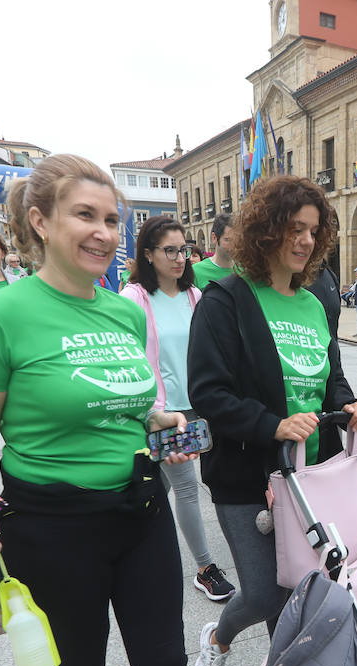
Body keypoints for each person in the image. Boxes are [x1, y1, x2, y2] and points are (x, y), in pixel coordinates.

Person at [0, 153, 261, 666]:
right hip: (52, 523)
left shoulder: (123, 312)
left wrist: (158, 421)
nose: (104, 232)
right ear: (40, 221)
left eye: (113, 219)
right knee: (79, 662)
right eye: (85, 215)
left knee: (164, 663)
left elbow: (125, 402)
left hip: (139, 508)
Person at [187, 174, 357, 666]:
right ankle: (218, 639)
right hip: (248, 476)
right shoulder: (227, 300)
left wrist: (350, 403)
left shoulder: (314, 303)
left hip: (311, 474)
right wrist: (271, 424)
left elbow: (329, 377)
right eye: (294, 228)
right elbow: (208, 391)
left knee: (302, 586)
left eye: (314, 231)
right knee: (267, 591)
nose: (305, 241)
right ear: (265, 230)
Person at [119, 215, 237, 603]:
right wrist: (151, 412)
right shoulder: (134, 297)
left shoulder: (195, 297)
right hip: (164, 412)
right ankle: (205, 569)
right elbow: (131, 358)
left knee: (158, 486)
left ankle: (129, 546)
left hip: (201, 406)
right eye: (169, 250)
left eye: (183, 250)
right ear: (148, 254)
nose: (179, 258)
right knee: (186, 487)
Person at [192, 213, 236, 290]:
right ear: (214, 238)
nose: (234, 246)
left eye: (238, 240)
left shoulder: (245, 270)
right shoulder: (195, 272)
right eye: (228, 240)